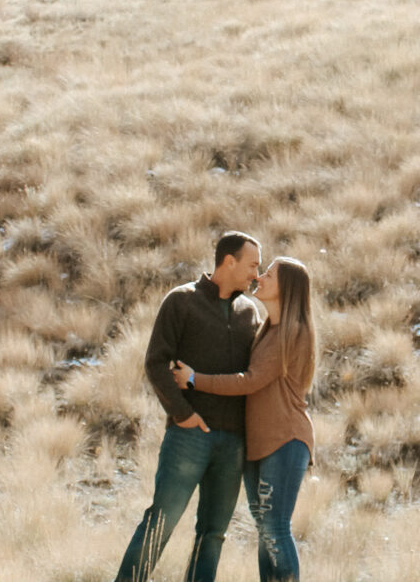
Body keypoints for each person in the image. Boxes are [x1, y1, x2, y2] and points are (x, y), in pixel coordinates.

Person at [113, 232, 262, 582]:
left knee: (213, 534)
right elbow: (155, 363)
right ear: (229, 261)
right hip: (189, 436)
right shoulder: (181, 301)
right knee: (160, 521)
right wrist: (183, 415)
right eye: (252, 265)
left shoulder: (250, 313)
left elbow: (253, 377)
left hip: (234, 443)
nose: (256, 273)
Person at [172, 256, 317, 582]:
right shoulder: (267, 330)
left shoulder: (292, 332)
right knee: (266, 530)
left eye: (269, 274)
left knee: (275, 527)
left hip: (285, 439)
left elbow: (249, 380)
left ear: (287, 288)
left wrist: (196, 379)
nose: (260, 278)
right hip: (259, 445)